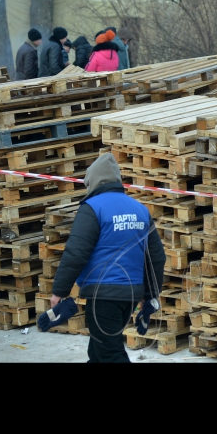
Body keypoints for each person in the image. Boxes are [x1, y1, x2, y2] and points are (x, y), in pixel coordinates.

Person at [49, 153, 165, 363]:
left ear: (92, 181)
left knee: (109, 353)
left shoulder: (92, 208)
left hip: (103, 296)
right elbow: (156, 257)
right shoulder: (140, 210)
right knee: (98, 350)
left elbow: (76, 252)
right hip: (130, 295)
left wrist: (59, 291)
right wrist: (149, 294)